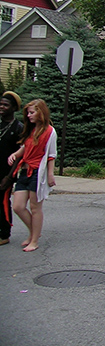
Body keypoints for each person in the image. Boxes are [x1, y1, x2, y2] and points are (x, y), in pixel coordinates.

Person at [6, 98, 56, 252]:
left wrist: (50, 174)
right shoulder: (30, 130)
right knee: (18, 206)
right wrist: (15, 154)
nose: (29, 115)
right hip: (24, 171)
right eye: (28, 113)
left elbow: (51, 155)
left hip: (37, 173)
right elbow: (24, 147)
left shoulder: (49, 131)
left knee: (35, 207)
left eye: (32, 112)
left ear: (40, 112)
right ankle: (34, 232)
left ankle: (34, 240)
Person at [0, 91, 24, 246]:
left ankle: (4, 234)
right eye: (0, 104)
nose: (2, 107)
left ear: (14, 108)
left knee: (2, 202)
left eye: (5, 105)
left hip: (6, 172)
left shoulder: (18, 128)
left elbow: (20, 155)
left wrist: (9, 177)